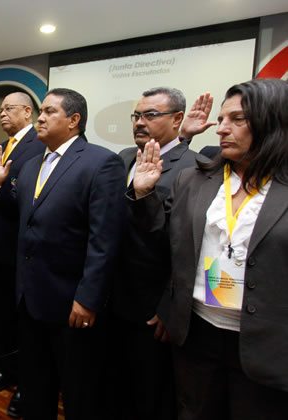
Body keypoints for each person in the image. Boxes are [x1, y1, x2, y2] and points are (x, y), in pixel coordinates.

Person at [130, 78, 288, 420]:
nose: (221, 129)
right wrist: (144, 195)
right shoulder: (195, 179)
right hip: (197, 335)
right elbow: (167, 245)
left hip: (267, 344)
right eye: (221, 119)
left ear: (272, 122)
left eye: (237, 119)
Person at [0, 88, 125, 419]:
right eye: (40, 111)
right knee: (35, 387)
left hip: (71, 304)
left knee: (78, 393)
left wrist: (88, 298)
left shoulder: (101, 163)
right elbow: (25, 217)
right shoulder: (32, 164)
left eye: (49, 112)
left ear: (73, 120)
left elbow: (104, 239)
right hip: (30, 299)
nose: (40, 118)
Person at [108, 87, 207, 420]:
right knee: (115, 387)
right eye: (137, 115)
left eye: (150, 115)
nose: (139, 122)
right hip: (113, 296)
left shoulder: (193, 167)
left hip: (152, 307)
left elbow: (187, 245)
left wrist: (169, 304)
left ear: (177, 119)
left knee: (150, 393)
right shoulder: (124, 157)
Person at [0, 92, 45, 418]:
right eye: (0, 109)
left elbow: (22, 197)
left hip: (24, 250)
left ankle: (26, 384)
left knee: (23, 323)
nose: (1, 114)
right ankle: (7, 370)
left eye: (8, 109)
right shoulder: (4, 145)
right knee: (1, 315)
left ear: (28, 112)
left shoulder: (40, 144)